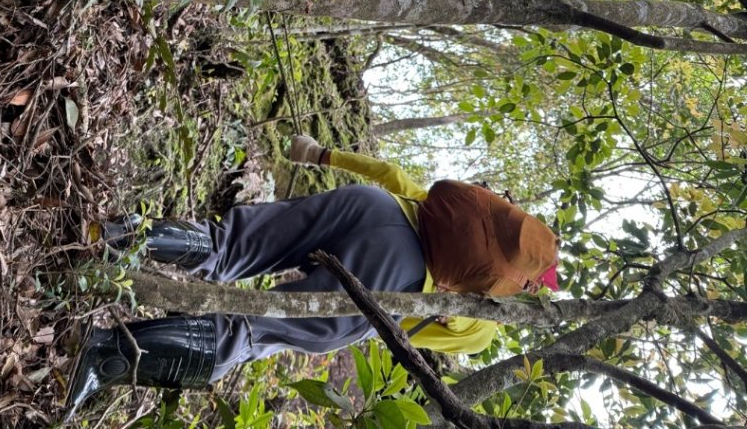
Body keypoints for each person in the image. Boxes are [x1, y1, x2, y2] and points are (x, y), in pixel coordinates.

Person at [64, 135, 559, 417]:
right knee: (252, 331)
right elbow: (417, 331)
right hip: (395, 277)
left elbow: (391, 174)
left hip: (374, 206)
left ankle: (108, 237)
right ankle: (104, 353)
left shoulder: (463, 215)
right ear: (527, 287)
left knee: (229, 244)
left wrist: (323, 155)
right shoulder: (484, 327)